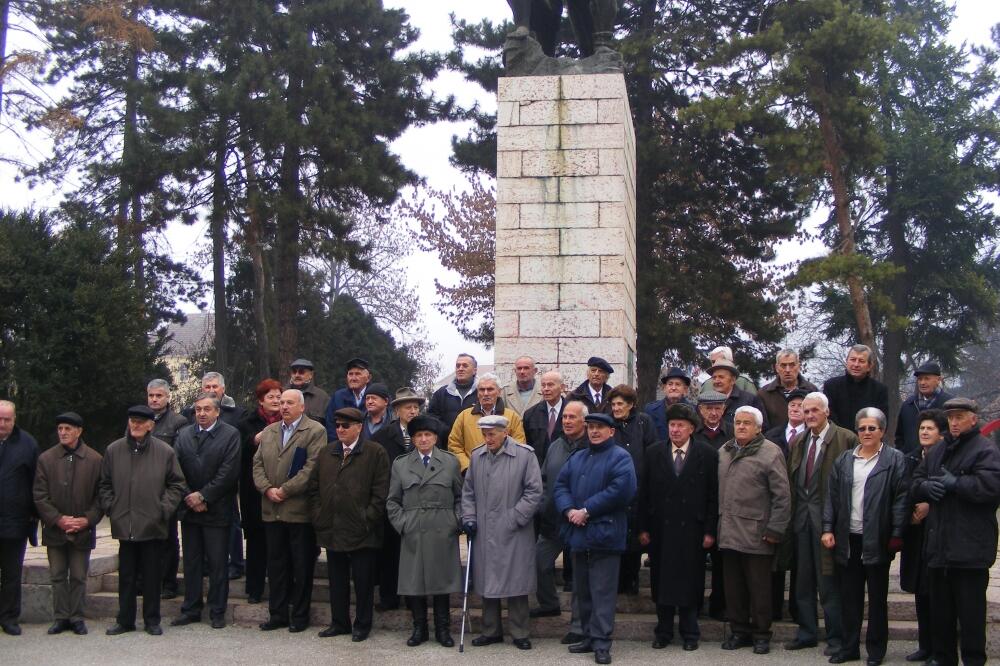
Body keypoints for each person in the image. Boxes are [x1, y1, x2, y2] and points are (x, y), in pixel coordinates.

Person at [910, 397, 1000, 666]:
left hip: (970, 551)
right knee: (941, 620)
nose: (954, 422)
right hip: (939, 550)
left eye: (960, 416)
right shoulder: (939, 450)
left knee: (971, 620)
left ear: (974, 418)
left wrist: (956, 484)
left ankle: (973, 661)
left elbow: (991, 487)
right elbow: (916, 479)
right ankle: (943, 659)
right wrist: (925, 488)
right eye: (950, 417)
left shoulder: (985, 450)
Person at [822, 407, 909, 666]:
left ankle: (876, 650)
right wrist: (827, 528)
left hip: (878, 539)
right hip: (849, 539)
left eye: (872, 428)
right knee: (850, 599)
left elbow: (901, 499)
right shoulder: (845, 460)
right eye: (862, 428)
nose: (867, 432)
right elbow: (832, 498)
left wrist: (896, 534)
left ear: (882, 431)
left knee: (878, 599)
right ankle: (849, 648)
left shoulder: (894, 460)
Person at [554, 412, 638, 665]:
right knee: (583, 591)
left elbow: (623, 490)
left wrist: (587, 510)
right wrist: (569, 509)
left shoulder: (621, 457)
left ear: (611, 431)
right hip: (579, 535)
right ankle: (589, 636)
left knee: (602, 592)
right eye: (590, 427)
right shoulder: (578, 456)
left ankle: (602, 642)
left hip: (606, 534)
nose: (594, 431)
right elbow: (560, 486)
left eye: (600, 427)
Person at [99, 406, 186, 636]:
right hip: (125, 524)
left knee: (151, 576)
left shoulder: (165, 452)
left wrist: (162, 509)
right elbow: (104, 484)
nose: (136, 425)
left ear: (150, 425)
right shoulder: (114, 450)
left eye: (140, 422)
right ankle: (125, 620)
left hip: (152, 524)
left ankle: (152, 620)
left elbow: (177, 485)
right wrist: (112, 507)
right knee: (126, 577)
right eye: (132, 421)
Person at [638, 403, 718, 652]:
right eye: (672, 425)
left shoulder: (707, 454)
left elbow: (713, 496)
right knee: (661, 580)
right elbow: (643, 494)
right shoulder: (653, 453)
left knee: (690, 580)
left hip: (692, 531)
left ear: (691, 428)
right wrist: (642, 528)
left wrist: (709, 530)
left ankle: (690, 632)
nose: (675, 430)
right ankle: (663, 632)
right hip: (661, 529)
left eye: (680, 425)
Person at [783, 392, 857, 656]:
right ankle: (807, 633)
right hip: (801, 519)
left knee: (828, 583)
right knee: (802, 581)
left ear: (827, 412)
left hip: (829, 522)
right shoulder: (800, 441)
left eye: (815, 410)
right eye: (806, 411)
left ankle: (836, 637)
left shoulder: (846, 439)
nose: (810, 415)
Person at [461, 414, 543, 651]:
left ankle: (519, 632)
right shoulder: (477, 456)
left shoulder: (525, 455)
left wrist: (514, 518)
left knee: (516, 581)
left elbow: (534, 492)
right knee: (488, 581)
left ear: (505, 432)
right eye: (485, 434)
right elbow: (468, 493)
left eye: (492, 434)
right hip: (485, 529)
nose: (488, 439)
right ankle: (491, 630)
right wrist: (469, 517)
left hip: (514, 529)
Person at [311, 407, 390, 642]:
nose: (341, 430)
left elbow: (381, 491)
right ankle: (339, 622)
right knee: (337, 581)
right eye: (337, 426)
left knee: (364, 583)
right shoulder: (327, 453)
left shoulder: (375, 453)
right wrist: (319, 515)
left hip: (363, 531)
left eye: (346, 426)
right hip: (333, 528)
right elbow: (314, 488)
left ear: (359, 427)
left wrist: (367, 518)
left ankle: (362, 624)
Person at [717, 406, 790, 655]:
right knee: (734, 588)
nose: (741, 427)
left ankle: (761, 634)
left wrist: (775, 529)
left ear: (758, 428)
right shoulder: (724, 451)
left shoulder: (770, 453)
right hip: (728, 532)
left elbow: (782, 496)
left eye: (747, 423)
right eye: (738, 422)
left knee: (759, 589)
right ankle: (739, 631)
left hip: (758, 533)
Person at [253, 389, 326, 633]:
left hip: (298, 512)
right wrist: (267, 489)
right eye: (281, 402)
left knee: (301, 566)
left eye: (289, 403)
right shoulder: (270, 432)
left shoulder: (315, 431)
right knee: (276, 565)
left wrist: (285, 490)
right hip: (272, 510)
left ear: (302, 407)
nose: (283, 406)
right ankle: (278, 614)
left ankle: (300, 615)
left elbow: (312, 467)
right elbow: (257, 464)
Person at [386, 414, 462, 648]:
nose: (423, 439)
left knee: (442, 583)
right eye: (418, 435)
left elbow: (460, 497)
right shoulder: (401, 464)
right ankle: (419, 628)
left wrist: (454, 521)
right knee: (414, 582)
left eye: (428, 435)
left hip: (442, 530)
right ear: (413, 439)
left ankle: (443, 629)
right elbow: (392, 501)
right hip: (414, 529)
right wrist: (403, 524)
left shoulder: (450, 462)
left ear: (436, 438)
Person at [171, 394, 241, 629]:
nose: (201, 413)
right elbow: (175, 470)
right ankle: (191, 608)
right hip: (190, 511)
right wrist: (190, 496)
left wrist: (204, 496)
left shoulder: (230, 435)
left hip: (217, 510)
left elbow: (228, 472)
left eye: (207, 409)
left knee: (217, 563)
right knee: (191, 563)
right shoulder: (184, 435)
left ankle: (217, 610)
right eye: (198, 409)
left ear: (217, 412)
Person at [33, 411, 102, 636]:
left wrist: (87, 519)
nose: (63, 433)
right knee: (58, 574)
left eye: (68, 429)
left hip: (82, 529)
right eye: (60, 429)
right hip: (55, 529)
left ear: (79, 431)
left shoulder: (94, 459)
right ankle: (61, 616)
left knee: (80, 576)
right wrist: (57, 519)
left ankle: (77, 617)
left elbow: (101, 496)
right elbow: (39, 495)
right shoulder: (46, 459)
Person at [532, 400, 588, 645]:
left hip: (580, 522)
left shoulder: (592, 446)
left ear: (584, 421)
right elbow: (543, 478)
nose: (566, 421)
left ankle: (578, 625)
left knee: (578, 576)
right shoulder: (555, 446)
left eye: (572, 417)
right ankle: (548, 604)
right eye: (564, 417)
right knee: (538, 563)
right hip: (552, 519)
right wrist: (543, 504)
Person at [180, 372, 246, 580]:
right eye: (206, 387)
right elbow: (177, 466)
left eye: (214, 387)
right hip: (190, 500)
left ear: (222, 389)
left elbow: (230, 466)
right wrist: (191, 495)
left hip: (221, 496)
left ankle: (235, 563)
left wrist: (205, 495)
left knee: (228, 535)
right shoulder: (185, 428)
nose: (210, 390)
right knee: (193, 557)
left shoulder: (235, 416)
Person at [899, 409, 948, 663]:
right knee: (920, 591)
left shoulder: (948, 458)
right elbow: (900, 490)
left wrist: (930, 506)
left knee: (937, 594)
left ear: (942, 434)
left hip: (940, 535)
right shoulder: (908, 459)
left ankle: (940, 649)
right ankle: (924, 645)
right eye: (922, 429)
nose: (925, 433)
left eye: (930, 429)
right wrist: (909, 512)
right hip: (915, 534)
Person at [372, 387, 425, 611]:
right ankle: (389, 597)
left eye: (416, 407)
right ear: (396, 410)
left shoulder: (426, 433)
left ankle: (414, 599)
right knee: (389, 552)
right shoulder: (382, 436)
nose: (413, 411)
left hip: (417, 502)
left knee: (414, 553)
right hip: (391, 501)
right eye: (408, 407)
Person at [236, 379, 282, 604]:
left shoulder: (288, 421)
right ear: (261, 400)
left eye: (278, 396)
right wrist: (255, 439)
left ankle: (279, 589)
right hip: (253, 491)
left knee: (278, 545)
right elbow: (240, 451)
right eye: (270, 396)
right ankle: (254, 589)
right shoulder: (247, 422)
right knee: (256, 542)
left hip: (280, 491)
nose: (275, 400)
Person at [606, 384, 655, 595]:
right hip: (613, 491)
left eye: (620, 404)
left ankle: (631, 581)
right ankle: (616, 584)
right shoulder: (607, 424)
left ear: (631, 405)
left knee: (634, 538)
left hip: (639, 489)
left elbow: (652, 451)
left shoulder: (644, 422)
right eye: (613, 404)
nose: (616, 408)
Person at [146, 378, 188, 600]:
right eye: (151, 396)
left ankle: (168, 583)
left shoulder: (178, 422)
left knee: (167, 537)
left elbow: (178, 457)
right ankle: (145, 580)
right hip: (142, 489)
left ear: (168, 397)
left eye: (159, 395)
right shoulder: (140, 418)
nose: (154, 399)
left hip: (166, 488)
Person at [0, 400, 38, 636]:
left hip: (15, 522)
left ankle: (9, 617)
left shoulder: (28, 444)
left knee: (11, 574)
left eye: (7, 419)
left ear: (15, 419)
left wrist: (33, 518)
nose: (3, 424)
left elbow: (36, 482)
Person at [448, 373, 526, 472]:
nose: (485, 393)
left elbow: (519, 446)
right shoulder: (464, 416)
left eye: (490, 389)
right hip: (472, 473)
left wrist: (505, 468)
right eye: (481, 390)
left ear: (499, 392)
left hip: (504, 473)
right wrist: (467, 467)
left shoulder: (512, 417)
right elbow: (454, 445)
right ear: (477, 393)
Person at [822, 345, 889, 430]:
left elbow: (881, 422)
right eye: (853, 360)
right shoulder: (831, 386)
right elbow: (828, 417)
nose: (856, 364)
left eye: (861, 361)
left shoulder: (879, 390)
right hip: (837, 439)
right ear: (847, 362)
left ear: (869, 366)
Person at [894, 362, 954, 456]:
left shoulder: (949, 405)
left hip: (941, 460)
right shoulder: (908, 405)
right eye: (920, 379)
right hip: (910, 462)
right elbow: (899, 437)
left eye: (927, 378)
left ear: (938, 380)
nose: (922, 383)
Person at [758, 349, 819, 430]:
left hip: (805, 441)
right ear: (776, 368)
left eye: (792, 365)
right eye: (783, 365)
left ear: (798, 366)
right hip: (772, 441)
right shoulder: (764, 394)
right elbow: (760, 426)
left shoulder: (812, 391)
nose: (787, 370)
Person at [428, 353, 479, 438]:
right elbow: (431, 417)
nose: (460, 369)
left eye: (465, 366)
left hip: (475, 444)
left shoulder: (483, 392)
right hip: (446, 444)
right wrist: (447, 431)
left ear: (474, 370)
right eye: (458, 366)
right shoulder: (441, 393)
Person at [709, 358, 769, 431]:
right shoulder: (706, 401)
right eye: (714, 377)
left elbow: (763, 428)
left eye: (721, 377)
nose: (717, 381)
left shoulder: (750, 400)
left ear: (733, 380)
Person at [522, 370, 565, 463]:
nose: (546, 389)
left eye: (550, 385)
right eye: (543, 385)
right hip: (538, 468)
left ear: (562, 388)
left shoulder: (572, 412)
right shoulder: (531, 414)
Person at [324, 358, 373, 439]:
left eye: (358, 374)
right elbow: (330, 425)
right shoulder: (338, 397)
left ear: (368, 378)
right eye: (350, 374)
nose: (353, 378)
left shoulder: (376, 397)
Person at [643, 366, 694, 441]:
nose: (673, 388)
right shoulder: (650, 410)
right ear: (664, 388)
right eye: (670, 384)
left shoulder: (693, 411)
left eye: (678, 384)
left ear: (685, 389)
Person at [764, 388, 808, 459]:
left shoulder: (812, 435)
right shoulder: (771, 435)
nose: (795, 409)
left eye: (800, 406)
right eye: (792, 405)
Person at [287, 358, 331, 427]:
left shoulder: (322, 397)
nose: (297, 375)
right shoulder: (282, 394)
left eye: (301, 372)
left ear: (311, 375)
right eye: (294, 372)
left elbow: (329, 425)